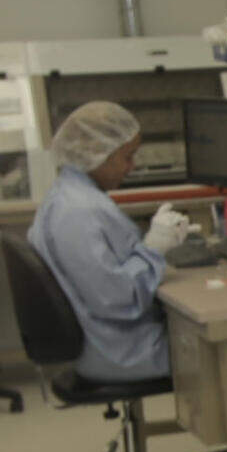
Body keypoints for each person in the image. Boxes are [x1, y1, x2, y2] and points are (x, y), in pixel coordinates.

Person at [29, 100, 185, 383]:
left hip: (107, 342)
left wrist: (151, 248)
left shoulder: (70, 195)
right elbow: (117, 300)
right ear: (97, 153)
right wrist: (154, 248)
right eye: (127, 156)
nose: (132, 167)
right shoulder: (79, 212)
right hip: (121, 352)